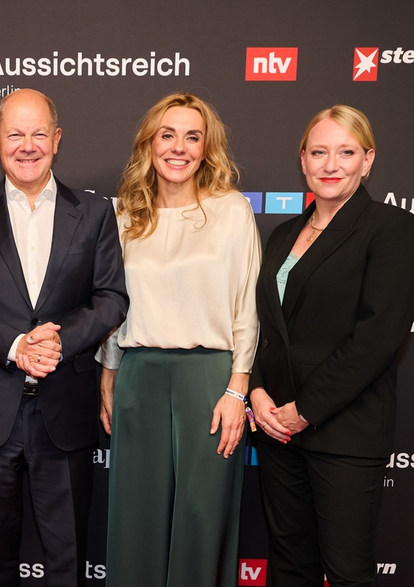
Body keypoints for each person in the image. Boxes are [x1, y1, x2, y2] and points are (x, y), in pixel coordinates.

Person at [0, 88, 128, 587]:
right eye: (15, 133)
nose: (28, 145)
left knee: (68, 559)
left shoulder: (93, 212)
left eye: (39, 133)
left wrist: (58, 343)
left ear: (57, 139)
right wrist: (16, 347)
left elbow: (111, 299)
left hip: (65, 412)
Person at [97, 93, 262, 586]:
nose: (179, 147)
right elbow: (113, 305)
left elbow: (247, 309)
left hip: (209, 381)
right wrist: (108, 375)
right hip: (138, 377)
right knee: (136, 520)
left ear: (207, 147)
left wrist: (238, 389)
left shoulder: (231, 211)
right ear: (149, 144)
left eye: (193, 137)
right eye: (167, 135)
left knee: (201, 518)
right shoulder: (126, 215)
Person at [249, 105, 414, 587]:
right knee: (289, 566)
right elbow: (263, 327)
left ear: (368, 160)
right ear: (303, 160)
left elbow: (378, 336)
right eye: (319, 152)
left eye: (346, 152)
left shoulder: (392, 229)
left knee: (345, 572)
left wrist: (307, 409)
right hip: (277, 429)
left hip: (345, 432)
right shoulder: (282, 235)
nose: (330, 164)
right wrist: (259, 395)